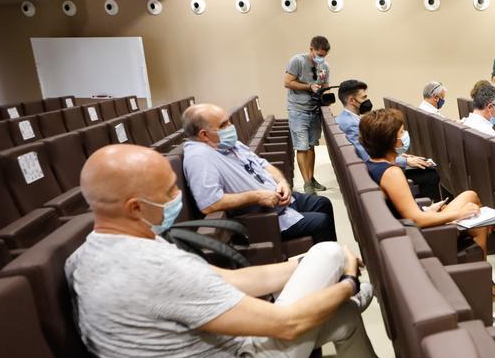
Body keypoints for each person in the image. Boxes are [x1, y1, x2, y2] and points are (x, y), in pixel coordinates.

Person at [66, 144, 404, 358]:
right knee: (331, 254)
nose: (179, 195)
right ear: (136, 207)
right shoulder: (153, 269)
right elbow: (287, 325)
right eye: (169, 190)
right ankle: (352, 295)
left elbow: (234, 280)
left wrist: (306, 265)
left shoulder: (89, 254)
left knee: (339, 311)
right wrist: (346, 279)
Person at [359, 109, 495, 300]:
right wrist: (457, 214)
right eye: (402, 132)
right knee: (476, 217)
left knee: (470, 197)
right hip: (414, 234)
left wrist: (428, 208)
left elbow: (401, 208)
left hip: (405, 223)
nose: (404, 136)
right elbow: (416, 220)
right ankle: (483, 284)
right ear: (393, 140)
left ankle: (484, 277)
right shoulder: (391, 173)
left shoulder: (371, 163)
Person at [182, 103, 335, 244]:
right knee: (321, 222)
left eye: (228, 121)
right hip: (260, 218)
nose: (231, 126)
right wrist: (257, 196)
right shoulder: (199, 158)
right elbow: (210, 203)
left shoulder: (229, 144)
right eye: (223, 125)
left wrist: (282, 182)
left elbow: (263, 164)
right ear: (204, 135)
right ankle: (327, 267)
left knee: (322, 203)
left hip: (278, 199)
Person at [336, 79, 440, 202]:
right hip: (373, 174)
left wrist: (397, 153)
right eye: (363, 97)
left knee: (425, 168)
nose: (367, 101)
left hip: (371, 168)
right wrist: (404, 161)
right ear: (352, 100)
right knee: (429, 174)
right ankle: (426, 207)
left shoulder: (346, 119)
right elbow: (367, 157)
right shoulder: (350, 124)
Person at [283, 35, 331, 193]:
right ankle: (307, 184)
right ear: (311, 49)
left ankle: (310, 178)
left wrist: (324, 93)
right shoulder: (297, 61)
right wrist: (309, 87)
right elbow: (288, 82)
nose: (321, 58)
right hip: (298, 110)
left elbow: (325, 84)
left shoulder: (324, 67)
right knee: (302, 147)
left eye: (323, 56)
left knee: (311, 146)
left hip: (314, 110)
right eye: (318, 55)